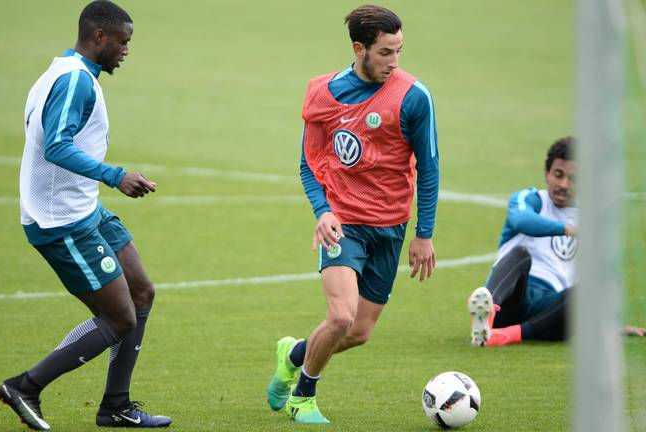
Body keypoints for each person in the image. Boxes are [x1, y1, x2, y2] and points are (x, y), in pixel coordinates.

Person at [0, 1, 171, 429]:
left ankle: (116, 406)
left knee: (142, 293)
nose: (126, 50)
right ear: (98, 38)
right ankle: (25, 386)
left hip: (84, 208)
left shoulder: (66, 71)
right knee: (119, 318)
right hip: (60, 221)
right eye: (122, 41)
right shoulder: (75, 81)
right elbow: (57, 146)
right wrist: (116, 176)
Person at [267, 5, 439, 424]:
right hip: (344, 222)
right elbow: (309, 163)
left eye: (398, 51)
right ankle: (303, 397)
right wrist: (323, 210)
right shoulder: (324, 93)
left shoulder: (414, 97)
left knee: (358, 332)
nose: (393, 61)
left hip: (391, 225)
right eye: (384, 52)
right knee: (340, 316)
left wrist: (424, 233)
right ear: (359, 49)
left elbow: (430, 166)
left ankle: (292, 354)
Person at [469, 136, 645, 347]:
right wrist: (568, 229)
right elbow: (522, 220)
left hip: (552, 313)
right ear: (546, 174)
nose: (563, 184)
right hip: (512, 301)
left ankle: (503, 335)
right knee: (520, 253)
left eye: (573, 178)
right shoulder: (530, 199)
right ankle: (486, 318)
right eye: (558, 175)